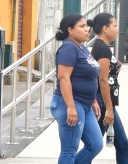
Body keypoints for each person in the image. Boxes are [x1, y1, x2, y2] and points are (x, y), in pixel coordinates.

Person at [51, 13, 103, 164]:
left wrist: (92, 100)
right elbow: (63, 78)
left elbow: (87, 76)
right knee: (69, 150)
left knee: (95, 145)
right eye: (82, 26)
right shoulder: (68, 48)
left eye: (86, 26)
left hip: (85, 104)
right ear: (70, 30)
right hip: (71, 103)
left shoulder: (82, 48)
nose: (87, 29)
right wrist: (71, 107)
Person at [90, 12, 128, 164]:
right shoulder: (103, 49)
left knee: (121, 144)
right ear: (105, 29)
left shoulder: (102, 47)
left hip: (106, 102)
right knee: (93, 147)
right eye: (115, 25)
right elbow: (103, 79)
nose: (117, 29)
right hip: (103, 103)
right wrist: (109, 109)